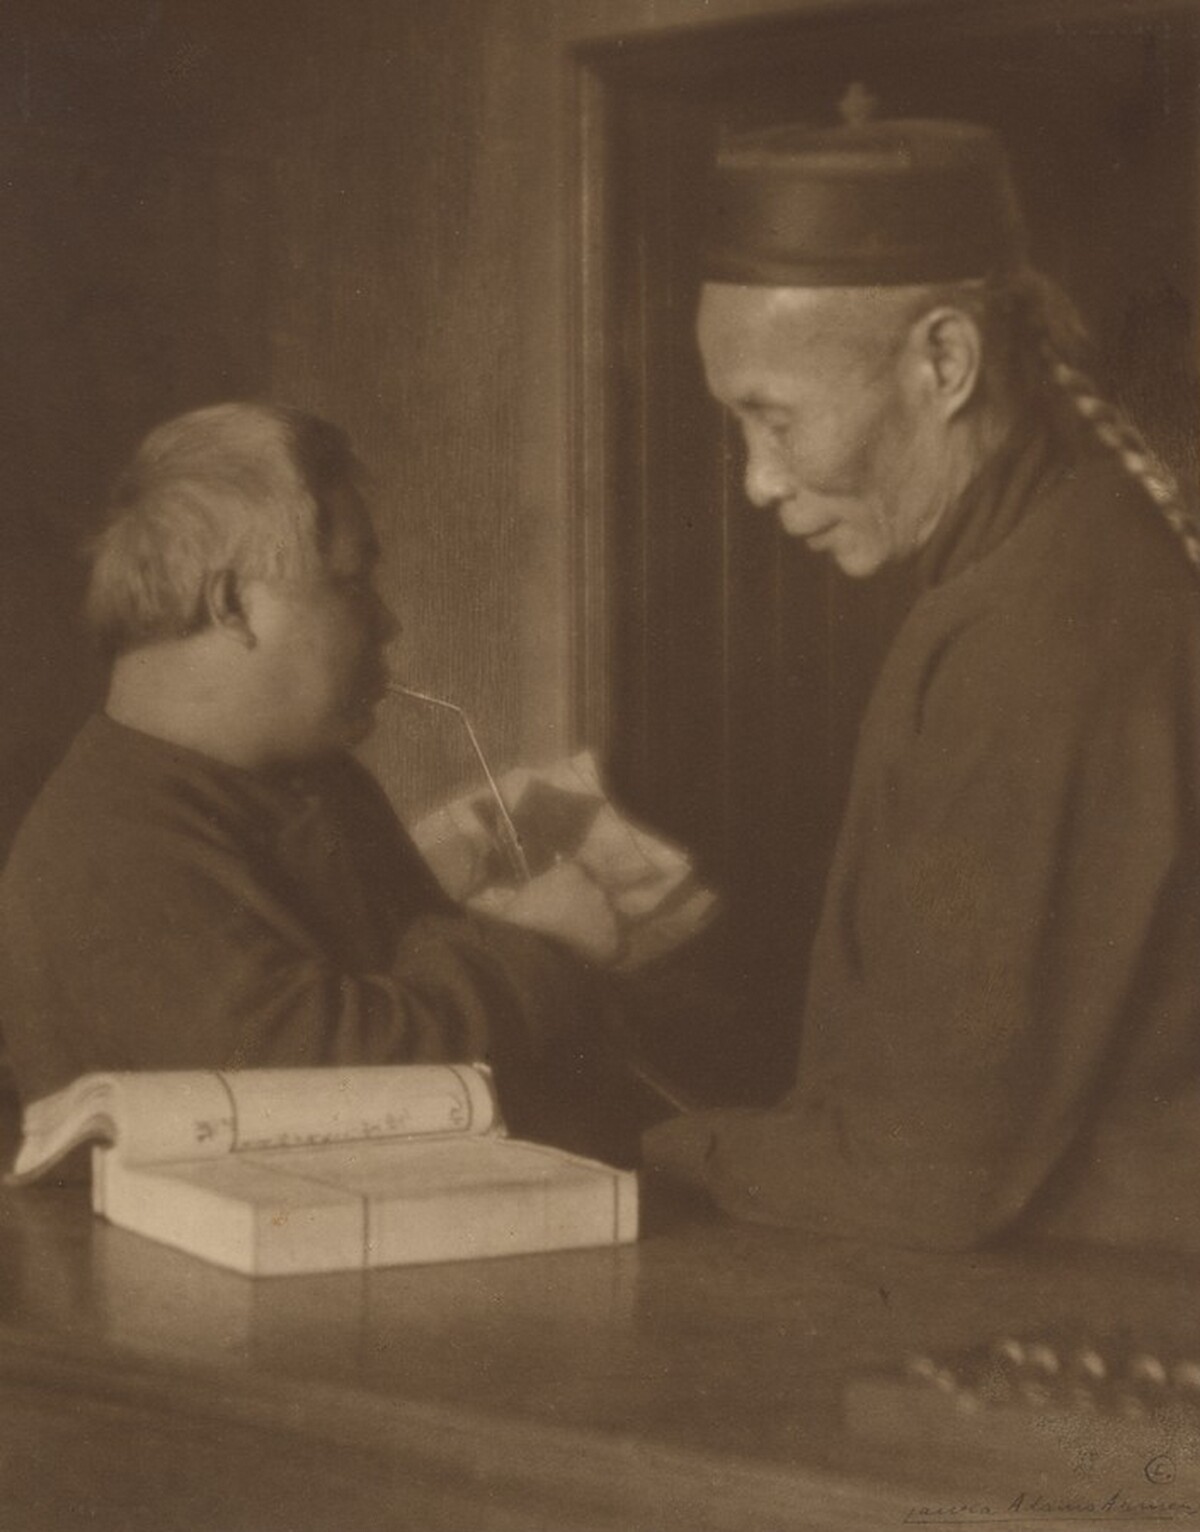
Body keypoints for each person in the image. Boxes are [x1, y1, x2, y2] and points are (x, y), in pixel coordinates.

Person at [644, 107, 1200, 1252]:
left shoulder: (1046, 637)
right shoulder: (1056, 543)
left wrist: (648, 1139)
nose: (755, 480)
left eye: (776, 419)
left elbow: (922, 1176)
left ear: (944, 361)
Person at [0, 402, 625, 1142]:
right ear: (231, 604)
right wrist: (545, 950)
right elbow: (307, 1077)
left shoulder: (316, 782)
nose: (386, 621)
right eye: (353, 582)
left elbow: (407, 983)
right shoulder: (107, 845)